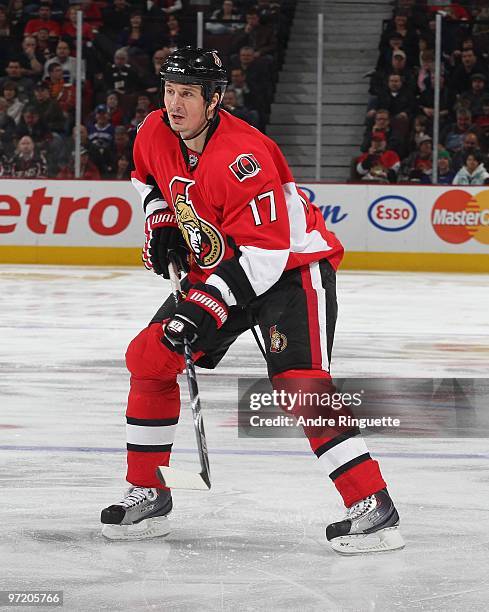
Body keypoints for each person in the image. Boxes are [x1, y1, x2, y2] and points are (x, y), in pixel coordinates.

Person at [100, 46, 405, 555]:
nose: (175, 104)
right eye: (170, 91)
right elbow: (147, 179)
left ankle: (373, 504)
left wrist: (203, 309)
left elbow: (266, 255)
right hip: (224, 264)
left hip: (289, 270)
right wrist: (161, 221)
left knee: (301, 384)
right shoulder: (154, 129)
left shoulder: (243, 156)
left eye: (188, 95)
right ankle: (148, 491)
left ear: (214, 99)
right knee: (149, 359)